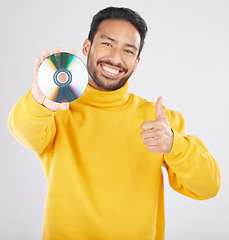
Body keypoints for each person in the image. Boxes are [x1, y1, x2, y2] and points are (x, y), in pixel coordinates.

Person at [8, 6, 221, 240]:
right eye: (108, 44)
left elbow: (208, 187)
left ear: (137, 61)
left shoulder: (160, 122)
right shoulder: (57, 109)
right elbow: (22, 130)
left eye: (128, 51)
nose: (116, 58)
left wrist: (175, 146)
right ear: (87, 47)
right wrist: (40, 104)